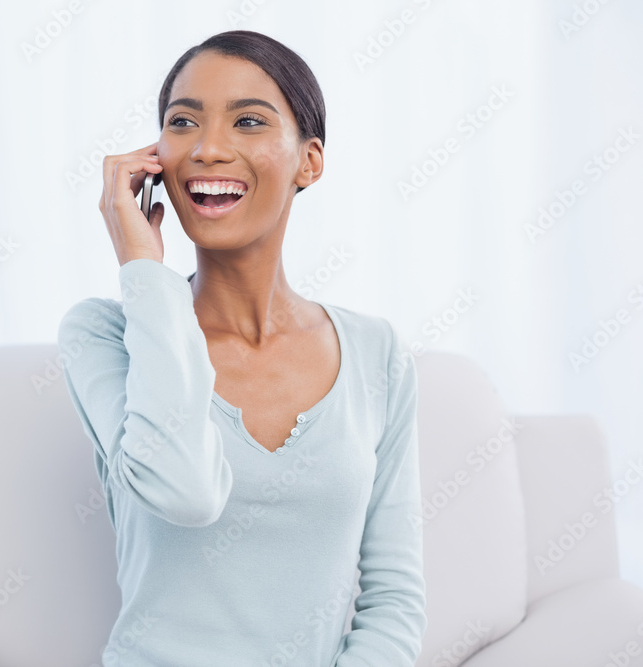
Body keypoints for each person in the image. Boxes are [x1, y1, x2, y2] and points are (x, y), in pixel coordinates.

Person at [57, 29, 427, 666]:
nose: (208, 149)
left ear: (309, 161)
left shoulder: (377, 353)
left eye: (249, 121)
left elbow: (395, 598)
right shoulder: (105, 336)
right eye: (182, 123)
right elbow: (186, 492)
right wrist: (143, 270)